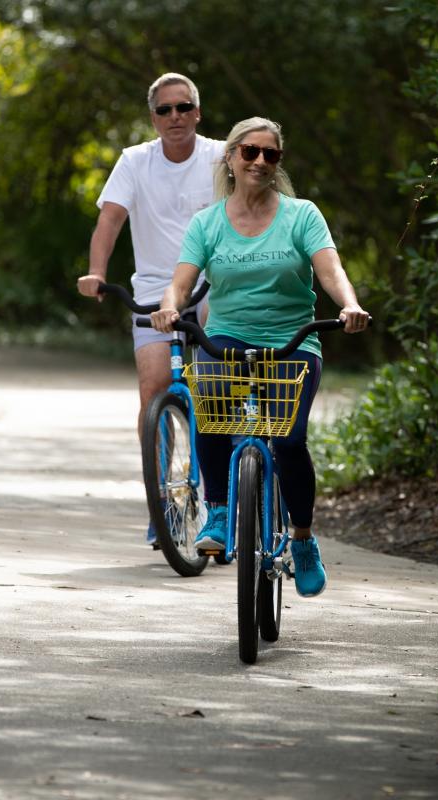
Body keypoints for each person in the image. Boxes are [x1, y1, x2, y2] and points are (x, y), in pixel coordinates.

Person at [151, 117, 370, 597]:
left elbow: (330, 269)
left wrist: (348, 303)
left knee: (289, 441)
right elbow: (182, 281)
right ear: (230, 157)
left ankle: (303, 538)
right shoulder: (208, 223)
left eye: (271, 155)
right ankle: (222, 510)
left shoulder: (302, 215)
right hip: (228, 337)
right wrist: (170, 308)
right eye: (250, 152)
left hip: (292, 341)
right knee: (209, 404)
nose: (260, 162)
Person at [76, 72, 225, 548]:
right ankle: (164, 503)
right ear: (153, 118)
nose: (175, 117)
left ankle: (221, 502)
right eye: (165, 110)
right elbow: (110, 219)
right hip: (156, 290)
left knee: (215, 394)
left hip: (216, 286)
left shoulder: (221, 157)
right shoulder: (135, 161)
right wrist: (96, 273)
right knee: (154, 390)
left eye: (183, 108)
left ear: (197, 112)